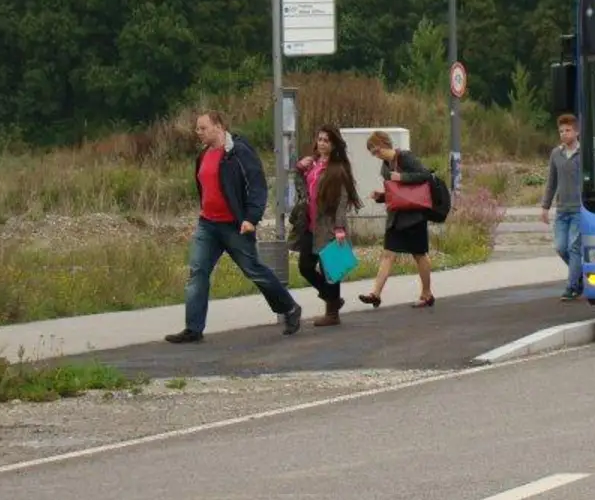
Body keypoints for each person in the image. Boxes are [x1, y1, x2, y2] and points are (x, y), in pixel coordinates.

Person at [166, 111, 303, 344]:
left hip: (234, 226)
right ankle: (193, 328)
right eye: (197, 129)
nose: (198, 133)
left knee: (254, 270)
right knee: (198, 271)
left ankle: (289, 308)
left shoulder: (238, 152)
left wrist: (251, 218)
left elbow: (257, 186)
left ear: (218, 127)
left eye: (203, 128)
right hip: (208, 225)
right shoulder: (203, 156)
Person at [290, 124, 362, 327]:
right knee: (305, 267)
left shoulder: (338, 169)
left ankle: (332, 314)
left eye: (326, 140)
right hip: (310, 224)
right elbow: (301, 189)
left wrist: (339, 227)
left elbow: (342, 200)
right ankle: (333, 299)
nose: (321, 143)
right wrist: (299, 169)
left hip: (329, 226)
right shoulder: (313, 164)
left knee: (331, 268)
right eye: (319, 139)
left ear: (333, 144)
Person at [358, 130, 436, 309]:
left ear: (385, 144)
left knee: (419, 254)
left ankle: (427, 293)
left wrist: (402, 177)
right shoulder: (385, 167)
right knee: (388, 254)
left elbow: (425, 175)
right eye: (373, 153)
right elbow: (396, 193)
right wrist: (381, 196)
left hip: (414, 215)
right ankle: (375, 294)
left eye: (376, 151)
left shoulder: (405, 157)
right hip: (396, 217)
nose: (376, 155)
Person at [541, 113, 584, 300]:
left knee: (574, 247)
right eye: (561, 131)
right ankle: (579, 276)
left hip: (579, 209)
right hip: (562, 209)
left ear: (577, 132)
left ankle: (572, 287)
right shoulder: (556, 154)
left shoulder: (583, 154)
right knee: (560, 247)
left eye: (567, 130)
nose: (564, 134)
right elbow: (551, 182)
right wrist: (545, 206)